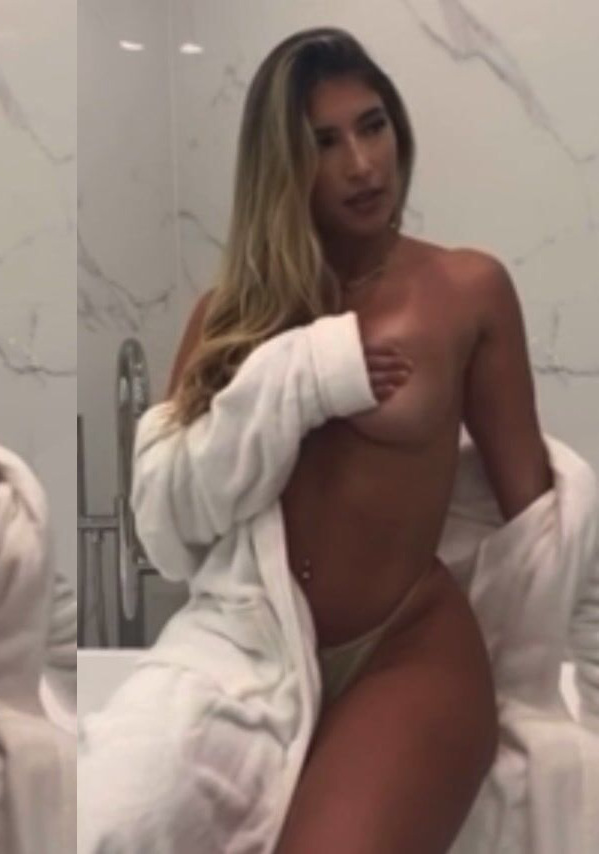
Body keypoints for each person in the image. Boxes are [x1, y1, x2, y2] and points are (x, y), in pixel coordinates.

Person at [161, 27, 551, 850]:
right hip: (255, 651)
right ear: (280, 166)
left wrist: (563, 681)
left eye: (373, 127)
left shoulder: (466, 291)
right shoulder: (227, 321)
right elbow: (171, 508)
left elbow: (536, 518)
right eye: (324, 143)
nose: (364, 165)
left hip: (407, 648)